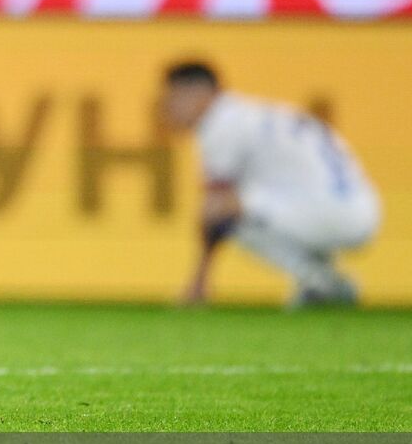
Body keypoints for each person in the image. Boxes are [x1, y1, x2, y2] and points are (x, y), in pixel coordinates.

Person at [161, 61, 379, 307]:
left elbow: (216, 209)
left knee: (229, 211)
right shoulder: (254, 114)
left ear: (198, 93)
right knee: (246, 206)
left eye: (172, 98)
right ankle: (322, 283)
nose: (168, 108)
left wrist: (199, 281)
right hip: (361, 209)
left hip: (326, 212)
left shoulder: (221, 123)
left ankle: (321, 282)